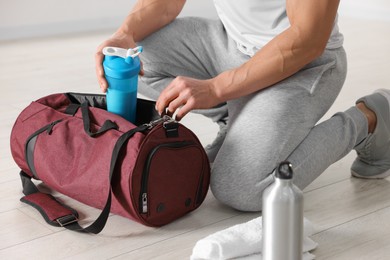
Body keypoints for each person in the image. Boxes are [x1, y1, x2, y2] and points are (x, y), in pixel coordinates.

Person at [95, 0, 390, 211]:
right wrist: (126, 34)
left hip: (302, 65)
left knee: (243, 190)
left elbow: (307, 39)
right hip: (231, 46)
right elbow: (166, 3)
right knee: (136, 58)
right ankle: (234, 121)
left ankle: (370, 119)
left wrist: (215, 87)